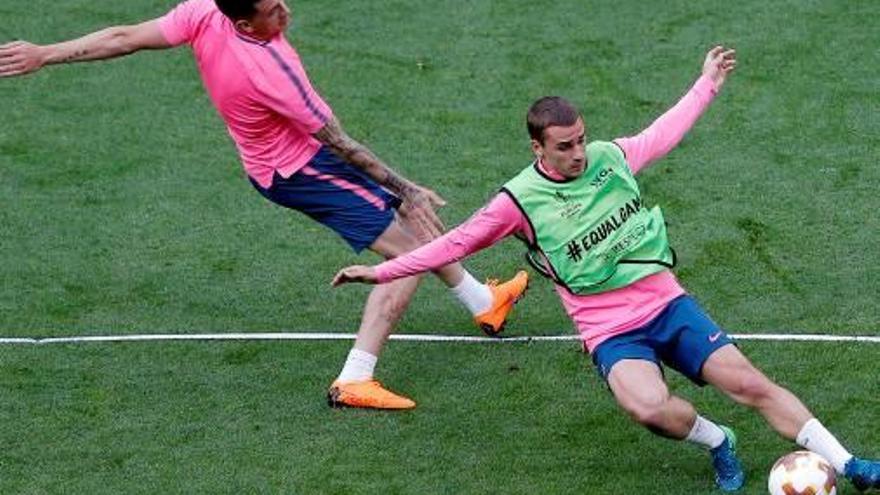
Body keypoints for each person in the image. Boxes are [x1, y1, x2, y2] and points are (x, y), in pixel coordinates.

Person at [331, 46, 880, 491]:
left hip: (665, 301)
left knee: (749, 383)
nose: (579, 153)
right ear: (538, 147)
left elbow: (664, 131)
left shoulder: (610, 158)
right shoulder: (517, 201)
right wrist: (381, 272)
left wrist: (706, 82)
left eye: (581, 139)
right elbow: (456, 244)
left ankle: (850, 464)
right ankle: (719, 443)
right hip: (609, 327)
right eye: (566, 147)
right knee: (649, 408)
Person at [0, 0, 529, 410]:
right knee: (410, 246)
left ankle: (482, 301)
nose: (286, 11)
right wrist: (408, 188)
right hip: (300, 170)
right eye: (274, 10)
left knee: (409, 228)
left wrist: (46, 53)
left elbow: (123, 37)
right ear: (248, 24)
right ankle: (356, 378)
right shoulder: (269, 70)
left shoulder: (205, 12)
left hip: (287, 160)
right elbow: (342, 144)